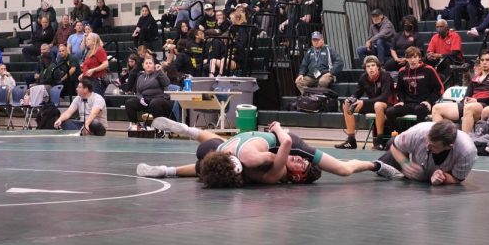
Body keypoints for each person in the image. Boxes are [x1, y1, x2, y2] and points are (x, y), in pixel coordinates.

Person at [139, 119, 391, 186]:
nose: (298, 163)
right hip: (270, 141)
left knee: (208, 161)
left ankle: (168, 167)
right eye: (301, 164)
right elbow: (287, 146)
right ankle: (374, 165)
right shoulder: (266, 164)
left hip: (242, 142)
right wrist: (281, 129)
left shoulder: (270, 174)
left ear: (294, 177)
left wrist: (280, 132)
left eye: (299, 166)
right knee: (343, 170)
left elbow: (283, 152)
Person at [373, 120, 477, 185]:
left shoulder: (467, 152)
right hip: (410, 161)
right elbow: (394, 147)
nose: (427, 146)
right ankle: (366, 165)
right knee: (384, 156)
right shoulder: (419, 132)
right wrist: (405, 163)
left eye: (433, 146)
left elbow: (457, 178)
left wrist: (442, 178)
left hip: (432, 175)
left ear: (448, 146)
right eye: (428, 141)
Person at [384, 46, 444, 147]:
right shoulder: (402, 71)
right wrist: (401, 100)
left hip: (423, 103)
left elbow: (439, 89)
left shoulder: (429, 70)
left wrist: (429, 101)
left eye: (415, 57)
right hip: (407, 103)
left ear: (419, 58)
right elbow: (399, 89)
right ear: (406, 59)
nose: (412, 60)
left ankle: (418, 139)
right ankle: (398, 138)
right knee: (390, 111)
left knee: (419, 110)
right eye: (410, 57)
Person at [335, 56, 394, 150]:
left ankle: (379, 141)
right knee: (346, 104)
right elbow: (357, 93)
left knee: (378, 105)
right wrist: (351, 99)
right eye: (368, 66)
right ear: (365, 68)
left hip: (388, 105)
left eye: (373, 65)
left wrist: (364, 102)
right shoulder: (363, 78)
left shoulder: (385, 76)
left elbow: (384, 97)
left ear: (378, 67)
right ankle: (351, 140)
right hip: (372, 104)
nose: (371, 68)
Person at [431, 49, 489, 133]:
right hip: (470, 105)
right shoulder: (475, 79)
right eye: (482, 60)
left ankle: (465, 143)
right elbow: (467, 96)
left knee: (469, 108)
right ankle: (441, 141)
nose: (484, 62)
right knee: (437, 108)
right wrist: (465, 100)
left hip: (486, 105)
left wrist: (477, 100)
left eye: (487, 60)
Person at [125, 57, 172, 129]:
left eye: (150, 63)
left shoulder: (158, 74)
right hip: (145, 99)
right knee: (129, 103)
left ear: (154, 65)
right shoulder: (140, 77)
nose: (148, 65)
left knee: (154, 103)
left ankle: (152, 125)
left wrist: (159, 71)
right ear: (143, 66)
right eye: (146, 63)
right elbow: (138, 92)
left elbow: (166, 83)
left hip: (159, 98)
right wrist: (140, 98)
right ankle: (135, 125)